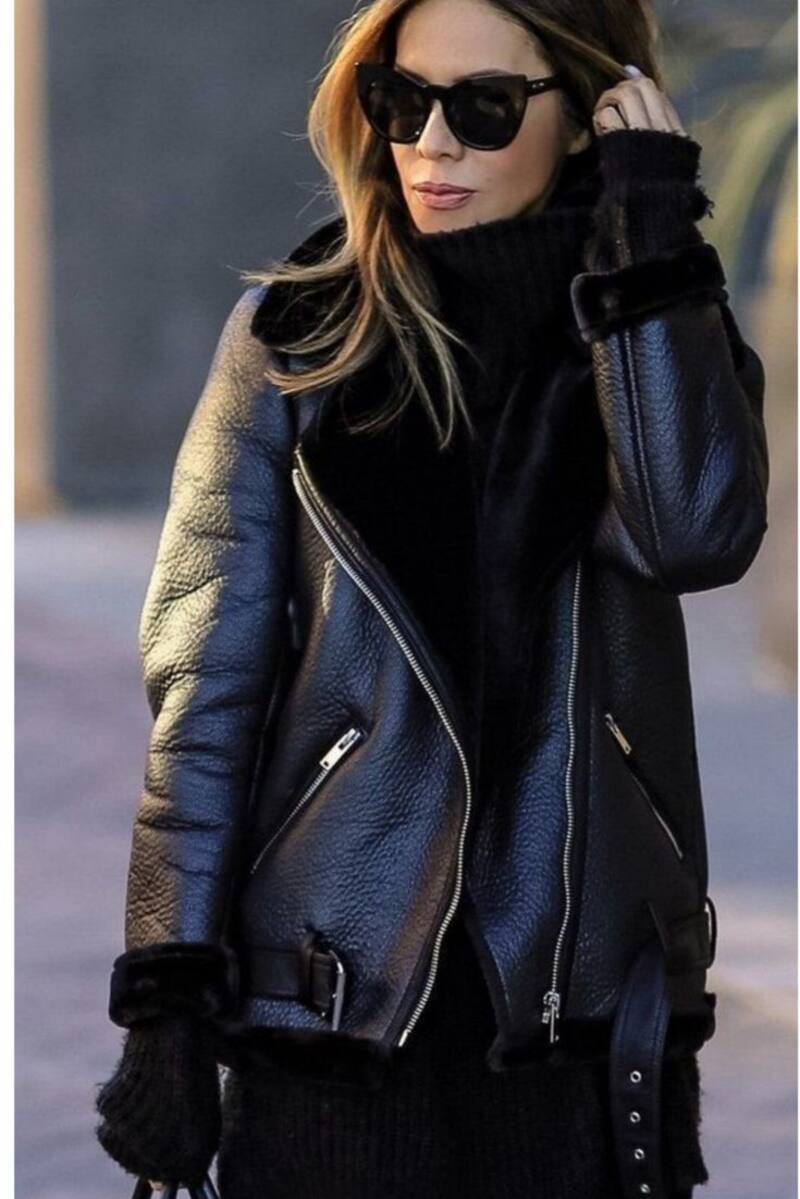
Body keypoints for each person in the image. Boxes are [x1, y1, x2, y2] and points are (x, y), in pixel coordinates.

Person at [93, 1, 768, 1197]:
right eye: (400, 101)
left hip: (577, 1003)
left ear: (587, 118)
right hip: (333, 997)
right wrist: (168, 988)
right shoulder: (295, 336)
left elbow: (693, 535)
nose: (429, 143)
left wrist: (650, 239)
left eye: (483, 106)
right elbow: (205, 691)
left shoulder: (654, 328)